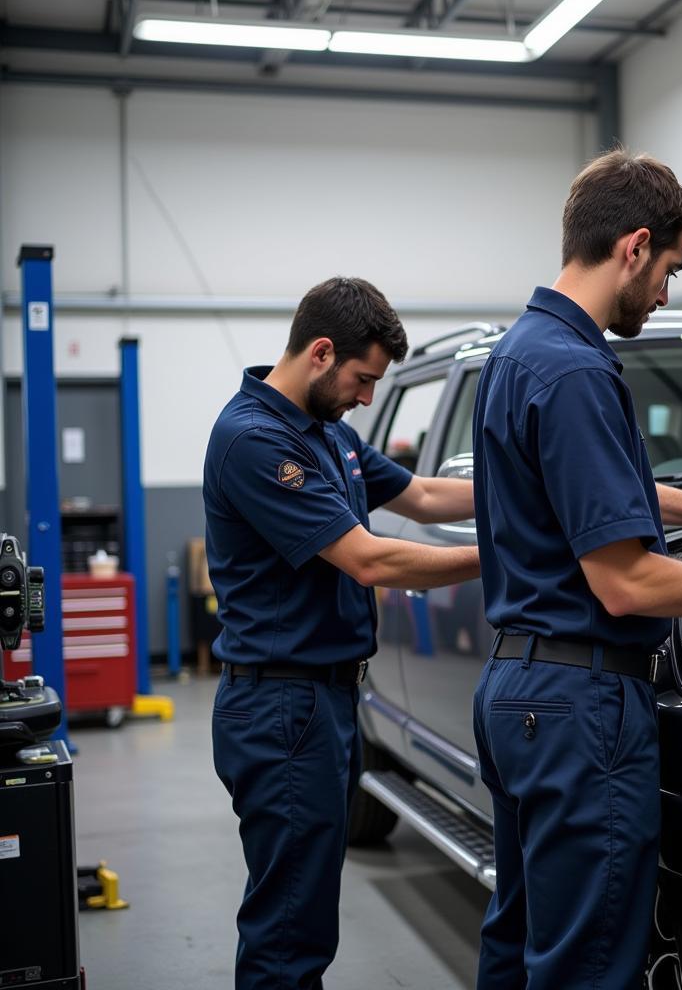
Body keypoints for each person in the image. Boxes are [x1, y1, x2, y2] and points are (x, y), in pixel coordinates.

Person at [471, 149, 682, 988]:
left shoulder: (520, 353)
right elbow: (625, 583)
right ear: (633, 247)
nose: (665, 292)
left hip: (519, 696)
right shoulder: (579, 370)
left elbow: (591, 489)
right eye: (666, 269)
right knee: (590, 966)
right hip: (582, 707)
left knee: (522, 948)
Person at [203, 276, 479, 990]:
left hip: (324, 703)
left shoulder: (331, 434)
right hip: (280, 712)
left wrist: (533, 489)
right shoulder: (253, 439)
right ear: (321, 352)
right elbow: (369, 557)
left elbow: (419, 495)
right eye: (363, 380)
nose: (367, 398)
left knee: (305, 915)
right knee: (290, 930)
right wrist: (509, 552)